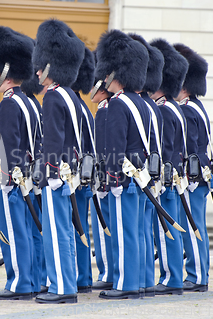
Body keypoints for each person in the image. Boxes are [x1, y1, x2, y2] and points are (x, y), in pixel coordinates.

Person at [32, 19, 85, 304]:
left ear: (51, 65)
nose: (37, 71)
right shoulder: (71, 96)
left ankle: (62, 287)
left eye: (41, 65)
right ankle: (66, 284)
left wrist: (48, 172)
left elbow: (52, 141)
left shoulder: (53, 97)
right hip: (68, 173)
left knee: (56, 232)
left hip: (56, 175)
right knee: (64, 230)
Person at [94, 29, 150, 300]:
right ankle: (136, 281)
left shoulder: (118, 104)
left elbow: (115, 146)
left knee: (124, 232)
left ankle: (125, 285)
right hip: (139, 177)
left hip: (124, 179)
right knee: (136, 231)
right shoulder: (140, 102)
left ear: (115, 73)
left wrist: (111, 177)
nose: (104, 78)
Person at [0, 26, 40, 300]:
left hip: (11, 179)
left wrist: (5, 179)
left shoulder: (9, 103)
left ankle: (19, 283)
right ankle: (29, 280)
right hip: (28, 177)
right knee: (26, 232)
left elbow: (9, 146)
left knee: (13, 232)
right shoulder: (29, 102)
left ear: (6, 72)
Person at [150, 38, 189, 295]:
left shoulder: (163, 110)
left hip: (166, 179)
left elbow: (164, 150)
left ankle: (171, 278)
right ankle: (174, 276)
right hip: (176, 177)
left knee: (166, 231)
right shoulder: (175, 108)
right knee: (172, 227)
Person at [129, 33, 164, 298]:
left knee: (137, 231)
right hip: (149, 174)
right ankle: (144, 280)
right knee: (142, 231)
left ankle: (139, 281)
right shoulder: (149, 106)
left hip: (142, 174)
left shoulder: (139, 105)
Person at [174, 43, 211, 293]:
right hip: (199, 174)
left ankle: (197, 276)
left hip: (193, 176)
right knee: (196, 224)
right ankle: (199, 273)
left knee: (192, 225)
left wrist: (189, 176)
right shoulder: (196, 107)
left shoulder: (187, 110)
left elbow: (192, 148)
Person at [70, 47, 96, 294]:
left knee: (74, 228)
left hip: (73, 178)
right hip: (83, 177)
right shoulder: (83, 107)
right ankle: (84, 276)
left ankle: (80, 276)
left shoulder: (71, 106)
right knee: (80, 228)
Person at [21, 73, 48, 294]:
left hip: (20, 176)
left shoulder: (16, 103)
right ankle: (37, 277)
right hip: (35, 172)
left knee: (24, 230)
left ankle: (23, 282)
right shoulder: (35, 104)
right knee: (35, 231)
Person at [90, 50, 114, 292]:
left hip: (105, 176)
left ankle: (107, 270)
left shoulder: (106, 109)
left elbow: (105, 147)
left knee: (103, 226)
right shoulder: (105, 107)